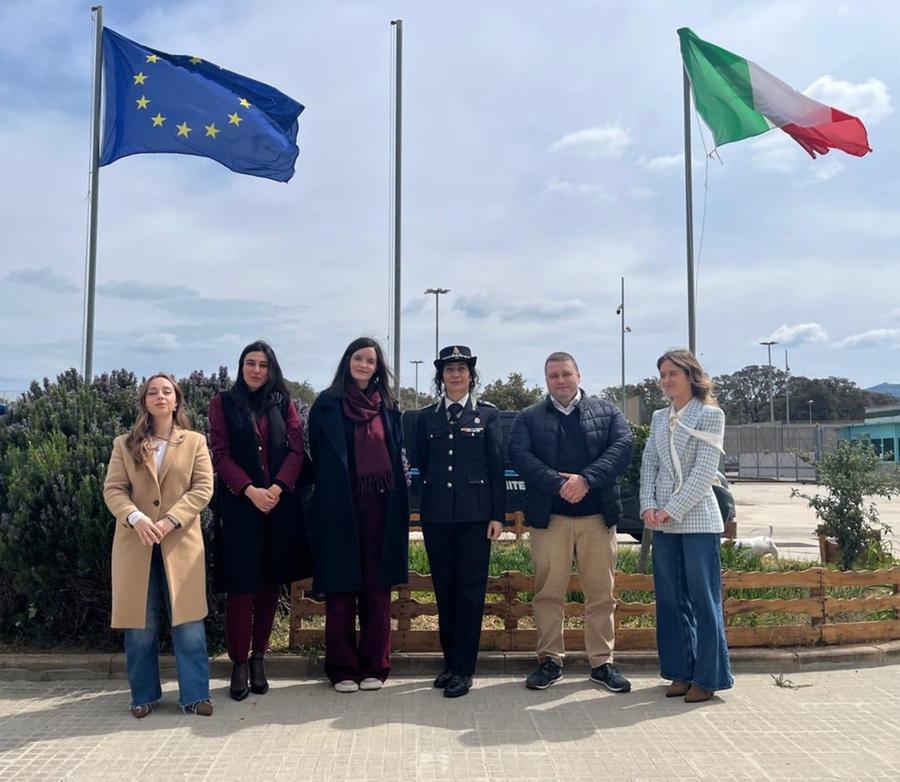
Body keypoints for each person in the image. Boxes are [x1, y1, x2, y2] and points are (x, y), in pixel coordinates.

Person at [508, 351, 633, 692]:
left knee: (601, 595)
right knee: (548, 593)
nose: (560, 381)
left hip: (597, 517)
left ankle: (602, 663)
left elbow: (623, 446)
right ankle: (550, 660)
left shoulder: (607, 412)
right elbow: (519, 455)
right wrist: (559, 484)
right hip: (550, 520)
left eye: (566, 374)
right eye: (553, 376)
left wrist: (587, 480)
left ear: (579, 375)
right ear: (546, 380)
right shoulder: (528, 417)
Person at [103, 373, 214, 718]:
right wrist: (136, 517)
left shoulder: (194, 441)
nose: (160, 396)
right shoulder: (125, 443)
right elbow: (113, 489)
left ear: (177, 400)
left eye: (167, 391)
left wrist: (171, 519)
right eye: (153, 392)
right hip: (136, 544)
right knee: (140, 624)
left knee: (189, 622)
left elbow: (202, 488)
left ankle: (195, 696)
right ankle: (143, 695)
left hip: (180, 543)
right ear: (145, 401)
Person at [209, 340, 311, 701]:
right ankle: (238, 662)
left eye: (263, 365)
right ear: (241, 367)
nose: (256, 370)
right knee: (241, 588)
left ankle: (258, 658)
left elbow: (297, 449)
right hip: (241, 507)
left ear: (272, 370)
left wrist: (278, 488)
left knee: (269, 585)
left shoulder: (285, 404)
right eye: (250, 363)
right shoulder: (223, 403)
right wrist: (250, 490)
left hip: (278, 506)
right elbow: (219, 454)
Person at [308, 337, 410, 693]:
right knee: (341, 590)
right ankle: (341, 669)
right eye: (358, 358)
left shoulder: (389, 407)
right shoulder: (326, 404)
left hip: (382, 508)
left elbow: (397, 456)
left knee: (376, 591)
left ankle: (375, 666)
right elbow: (318, 458)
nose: (364, 365)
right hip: (340, 508)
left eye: (370, 360)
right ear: (347, 361)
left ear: (378, 367)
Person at [639, 348, 733, 703]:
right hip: (662, 522)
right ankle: (680, 671)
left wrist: (672, 509)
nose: (666, 381)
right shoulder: (659, 417)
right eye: (662, 374)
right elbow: (649, 462)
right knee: (670, 598)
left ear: (691, 375)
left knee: (703, 598)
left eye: (672, 374)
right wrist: (648, 504)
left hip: (697, 520)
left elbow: (705, 470)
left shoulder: (711, 415)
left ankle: (708, 678)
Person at [415, 345, 505, 698]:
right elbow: (422, 466)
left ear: (471, 375)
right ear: (441, 376)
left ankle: (465, 669)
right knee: (445, 591)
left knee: (470, 592)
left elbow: (496, 468)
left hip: (475, 517)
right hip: (438, 516)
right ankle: (450, 662)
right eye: (449, 369)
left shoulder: (488, 415)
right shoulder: (427, 417)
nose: (455, 374)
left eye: (462, 369)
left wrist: (498, 514)